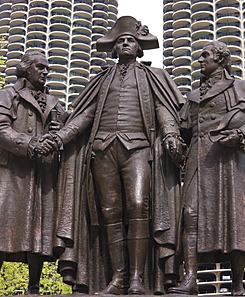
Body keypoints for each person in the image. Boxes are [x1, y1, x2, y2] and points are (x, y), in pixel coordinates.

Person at [42, 16, 185, 295]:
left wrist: (170, 134)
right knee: (109, 213)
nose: (125, 44)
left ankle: (136, 278)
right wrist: (60, 138)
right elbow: (84, 117)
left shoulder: (152, 76)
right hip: (103, 149)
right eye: (120, 41)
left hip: (138, 148)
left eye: (130, 40)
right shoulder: (101, 80)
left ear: (139, 47)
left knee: (138, 205)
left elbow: (163, 110)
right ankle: (118, 278)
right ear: (114, 49)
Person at [168, 41, 245, 296]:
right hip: (197, 160)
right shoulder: (193, 96)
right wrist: (173, 142)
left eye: (205, 56)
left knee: (234, 218)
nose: (200, 61)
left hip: (228, 160)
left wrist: (241, 135)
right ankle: (190, 278)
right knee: (190, 214)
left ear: (221, 59)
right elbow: (183, 129)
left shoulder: (240, 87)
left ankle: (237, 282)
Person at [0, 51, 66, 294]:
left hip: (43, 174)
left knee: (39, 231)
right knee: (4, 227)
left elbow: (69, 127)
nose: (45, 72)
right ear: (25, 69)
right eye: (40, 67)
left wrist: (59, 133)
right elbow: (1, 129)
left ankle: (34, 287)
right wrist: (30, 144)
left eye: (47, 68)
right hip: (13, 174)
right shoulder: (7, 95)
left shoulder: (53, 102)